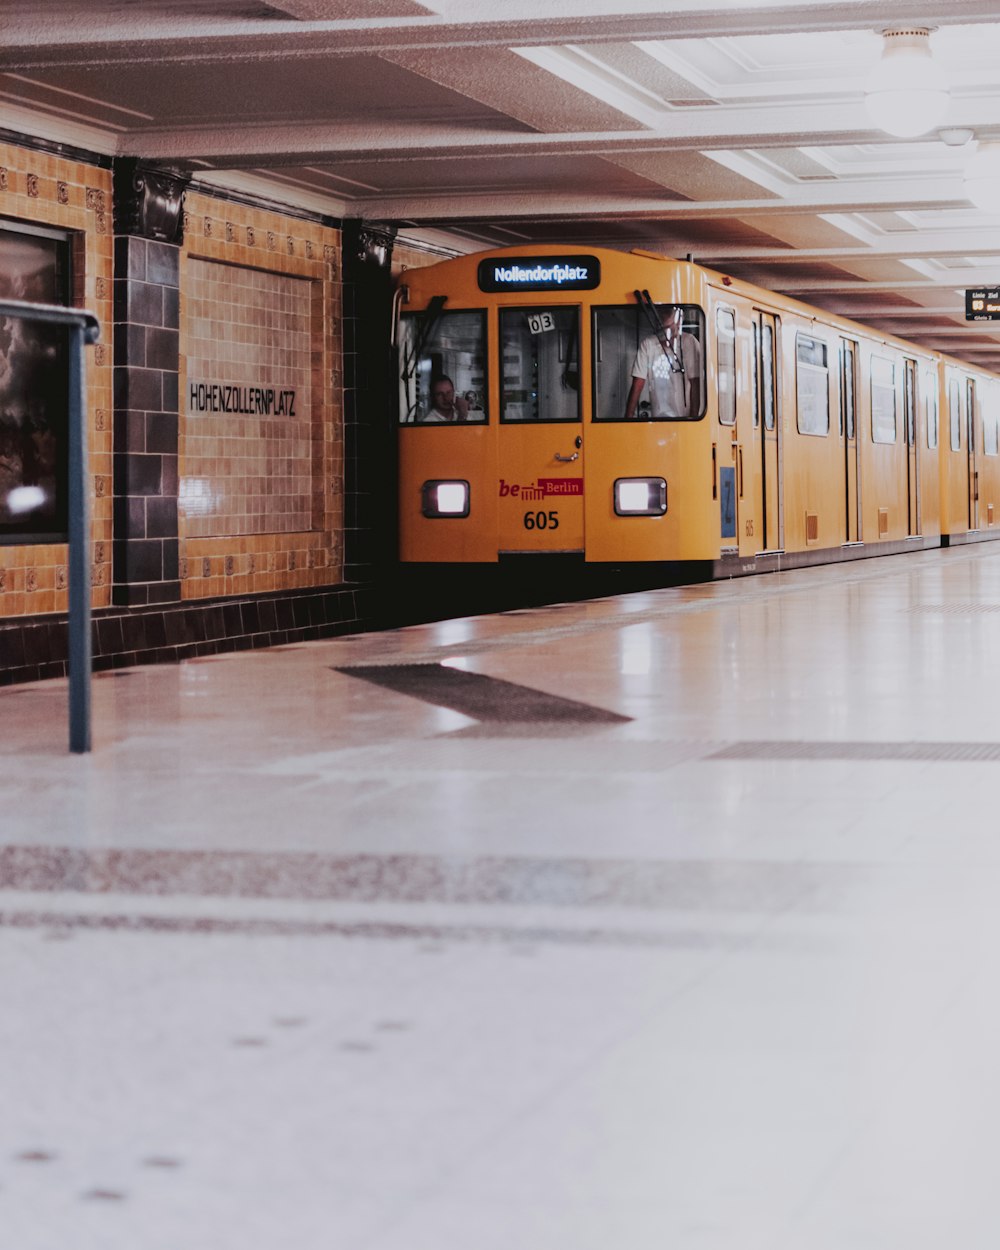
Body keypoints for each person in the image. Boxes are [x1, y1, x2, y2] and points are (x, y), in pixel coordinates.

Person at [623, 305, 702, 420]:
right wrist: (628, 420)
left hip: (685, 420)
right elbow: (638, 384)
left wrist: (693, 420)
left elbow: (695, 384)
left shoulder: (689, 342)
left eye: (670, 329)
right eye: (663, 329)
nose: (667, 334)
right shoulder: (648, 344)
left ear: (679, 323)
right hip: (659, 418)